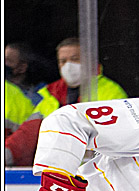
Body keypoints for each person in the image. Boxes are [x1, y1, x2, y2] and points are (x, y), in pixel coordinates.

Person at [6, 37, 129, 166]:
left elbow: (119, 138)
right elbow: (28, 135)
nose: (68, 66)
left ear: (90, 61)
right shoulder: (50, 94)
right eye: (63, 61)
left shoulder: (111, 92)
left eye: (75, 59)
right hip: (59, 170)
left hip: (99, 170)